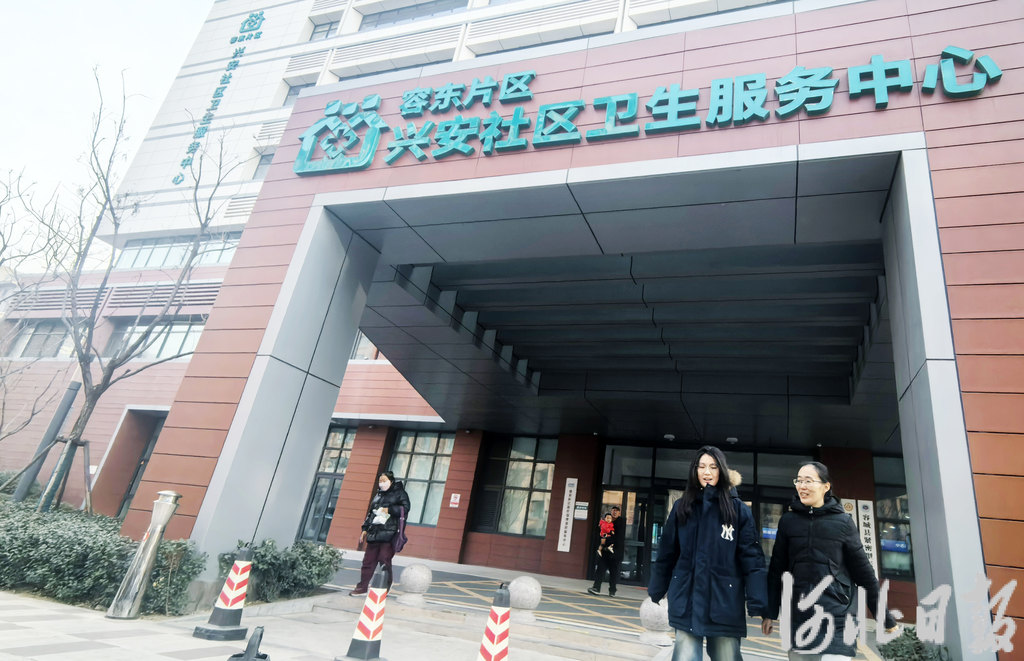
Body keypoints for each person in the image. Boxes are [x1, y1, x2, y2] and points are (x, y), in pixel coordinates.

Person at [762, 461, 899, 660]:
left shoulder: (843, 523)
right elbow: (777, 570)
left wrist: (885, 619)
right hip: (799, 619)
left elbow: (864, 574)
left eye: (808, 481)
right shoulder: (788, 522)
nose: (802, 486)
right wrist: (770, 612)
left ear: (825, 486)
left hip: (838, 619)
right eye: (799, 481)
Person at [648, 446, 768, 661]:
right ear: (694, 471)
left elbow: (752, 559)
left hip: (725, 602)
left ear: (722, 471)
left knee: (726, 656)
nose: (707, 472)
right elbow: (667, 552)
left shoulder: (738, 510)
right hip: (686, 598)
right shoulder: (682, 507)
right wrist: (657, 588)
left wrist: (759, 602)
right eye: (701, 466)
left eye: (713, 467)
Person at [350, 471, 410, 596]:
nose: (382, 483)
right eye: (380, 481)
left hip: (389, 533)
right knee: (367, 562)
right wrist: (364, 529)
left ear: (391, 481)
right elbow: (371, 514)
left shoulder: (400, 493)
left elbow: (405, 509)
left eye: (384, 480)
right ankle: (362, 587)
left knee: (384, 561)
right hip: (374, 533)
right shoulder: (378, 495)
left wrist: (390, 509)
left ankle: (384, 587)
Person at [588, 505, 623, 597]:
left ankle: (612, 591)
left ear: (619, 513)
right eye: (613, 510)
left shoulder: (620, 523)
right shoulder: (606, 522)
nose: (614, 512)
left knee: (613, 573)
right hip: (604, 552)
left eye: (616, 511)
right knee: (600, 570)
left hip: (614, 552)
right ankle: (596, 588)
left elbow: (617, 538)